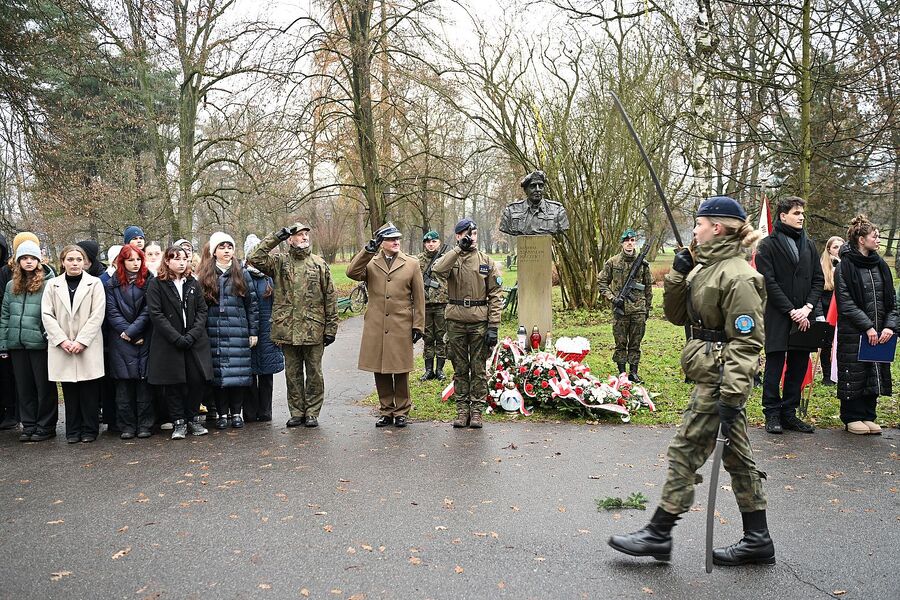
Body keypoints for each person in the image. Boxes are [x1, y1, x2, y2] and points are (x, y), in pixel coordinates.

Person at [608, 196, 774, 567]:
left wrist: (731, 398)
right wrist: (679, 275)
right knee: (737, 455)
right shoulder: (704, 268)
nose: (694, 229)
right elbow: (676, 315)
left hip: (719, 378)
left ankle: (659, 532)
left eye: (699, 223)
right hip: (707, 371)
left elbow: (747, 344)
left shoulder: (739, 276)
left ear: (717, 226)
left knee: (685, 450)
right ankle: (758, 538)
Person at [247, 223, 337, 428]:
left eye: (306, 234)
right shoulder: (279, 263)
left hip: (313, 328)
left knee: (314, 373)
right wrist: (276, 236)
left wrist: (331, 328)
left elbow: (330, 297)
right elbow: (254, 257)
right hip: (287, 328)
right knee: (292, 373)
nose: (304, 237)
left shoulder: (319, 264)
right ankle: (297, 412)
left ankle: (312, 412)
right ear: (290, 239)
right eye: (299, 235)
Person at [753, 196, 824, 435]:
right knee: (775, 364)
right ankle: (772, 413)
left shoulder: (810, 245)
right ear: (783, 216)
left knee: (798, 364)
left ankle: (789, 413)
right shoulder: (768, 245)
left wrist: (807, 308)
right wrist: (791, 310)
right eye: (796, 213)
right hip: (779, 315)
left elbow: (818, 279)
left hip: (804, 315)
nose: (801, 216)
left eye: (802, 213)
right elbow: (768, 282)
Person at [347, 222, 425, 428]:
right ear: (381, 242)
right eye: (391, 239)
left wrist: (418, 325)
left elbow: (419, 298)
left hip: (401, 323)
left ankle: (401, 411)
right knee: (379, 369)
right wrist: (367, 251)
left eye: (397, 238)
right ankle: (386, 410)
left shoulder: (411, 263)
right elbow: (352, 272)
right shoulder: (371, 262)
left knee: (400, 369)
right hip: (376, 323)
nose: (396, 242)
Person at [431, 219, 503, 429]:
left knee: (478, 368)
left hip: (479, 322)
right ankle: (462, 410)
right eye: (464, 233)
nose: (469, 237)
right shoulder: (451, 258)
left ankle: (477, 411)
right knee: (460, 367)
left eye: (472, 233)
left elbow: (496, 295)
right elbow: (437, 270)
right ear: (457, 236)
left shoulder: (486, 261)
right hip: (455, 321)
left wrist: (493, 327)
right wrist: (457, 250)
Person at [834, 216, 897, 435]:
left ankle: (869, 414)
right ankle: (852, 416)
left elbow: (892, 300)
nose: (878, 240)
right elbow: (846, 302)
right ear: (861, 239)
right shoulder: (845, 267)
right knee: (855, 372)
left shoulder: (880, 265)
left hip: (881, 332)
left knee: (875, 371)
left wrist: (889, 327)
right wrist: (868, 326)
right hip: (855, 331)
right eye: (874, 236)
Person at [42, 244, 107, 443]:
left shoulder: (94, 283)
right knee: (69, 390)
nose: (75, 263)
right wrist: (62, 340)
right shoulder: (52, 285)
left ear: (85, 262)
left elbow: (98, 314)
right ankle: (72, 430)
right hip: (63, 345)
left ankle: (89, 429)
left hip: (87, 344)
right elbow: (47, 314)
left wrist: (81, 341)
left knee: (89, 389)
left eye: (79, 260)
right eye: (70, 259)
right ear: (63, 262)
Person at [146, 245, 212, 440]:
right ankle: (179, 421)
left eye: (184, 258)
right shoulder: (157, 284)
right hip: (169, 342)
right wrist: (175, 337)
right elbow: (156, 314)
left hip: (194, 341)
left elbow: (202, 310)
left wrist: (192, 335)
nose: (182, 262)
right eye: (176, 258)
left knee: (196, 379)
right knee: (173, 383)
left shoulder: (193, 283)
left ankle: (192, 417)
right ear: (167, 261)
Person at [197, 233, 259, 430]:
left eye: (229, 247)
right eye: (222, 247)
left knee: (238, 376)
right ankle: (222, 413)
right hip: (214, 332)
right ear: (214, 251)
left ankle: (236, 413)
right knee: (219, 377)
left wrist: (253, 331)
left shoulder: (242, 273)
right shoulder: (205, 275)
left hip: (238, 331)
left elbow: (252, 305)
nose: (226, 251)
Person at [0, 240, 58, 441]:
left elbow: (53, 313)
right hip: (17, 343)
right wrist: (4, 342)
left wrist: (46, 335)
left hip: (40, 344)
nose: (28, 262)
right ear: (18, 261)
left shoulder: (49, 283)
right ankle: (29, 424)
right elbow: (5, 314)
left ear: (39, 260)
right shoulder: (10, 285)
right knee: (24, 387)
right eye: (24, 258)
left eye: (32, 258)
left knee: (44, 386)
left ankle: (46, 425)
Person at [105, 245, 154, 439]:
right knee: (123, 387)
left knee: (144, 386)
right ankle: (126, 426)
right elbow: (112, 312)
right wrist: (128, 333)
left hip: (144, 337)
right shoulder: (112, 283)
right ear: (122, 262)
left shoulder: (150, 280)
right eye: (130, 260)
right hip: (120, 340)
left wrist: (133, 332)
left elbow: (150, 309)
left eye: (138, 259)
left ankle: (145, 425)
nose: (135, 263)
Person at [597, 228, 654, 383]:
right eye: (627, 241)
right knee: (620, 342)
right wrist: (613, 298)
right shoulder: (612, 262)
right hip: (620, 310)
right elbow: (601, 282)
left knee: (636, 343)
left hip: (638, 309)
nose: (630, 244)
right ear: (622, 243)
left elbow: (648, 287)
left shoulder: (643, 264)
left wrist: (647, 308)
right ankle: (622, 374)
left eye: (632, 240)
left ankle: (633, 373)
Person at [243, 234, 284, 422]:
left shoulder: (270, 277)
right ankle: (250, 412)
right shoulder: (241, 276)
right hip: (249, 331)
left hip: (268, 332)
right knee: (249, 374)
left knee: (267, 375)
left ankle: (265, 411)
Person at [416, 230, 449, 381]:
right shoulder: (418, 260)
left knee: (441, 337)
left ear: (439, 243)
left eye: (434, 241)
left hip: (442, 303)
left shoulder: (446, 259)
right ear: (424, 244)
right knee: (428, 338)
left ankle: (440, 370)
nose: (431, 244)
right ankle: (428, 370)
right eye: (428, 242)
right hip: (425, 305)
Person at [498, 170, 570, 236]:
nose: (537, 189)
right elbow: (504, 227)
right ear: (525, 190)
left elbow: (563, 227)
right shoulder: (511, 210)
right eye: (533, 186)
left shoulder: (557, 210)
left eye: (541, 186)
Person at [819, 236, 843, 386]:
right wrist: (820, 314)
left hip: (844, 313)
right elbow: (818, 294)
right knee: (827, 344)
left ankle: (839, 373)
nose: (838, 250)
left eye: (841, 246)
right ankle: (827, 375)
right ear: (829, 249)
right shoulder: (822, 267)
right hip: (828, 312)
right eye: (835, 247)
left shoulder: (846, 266)